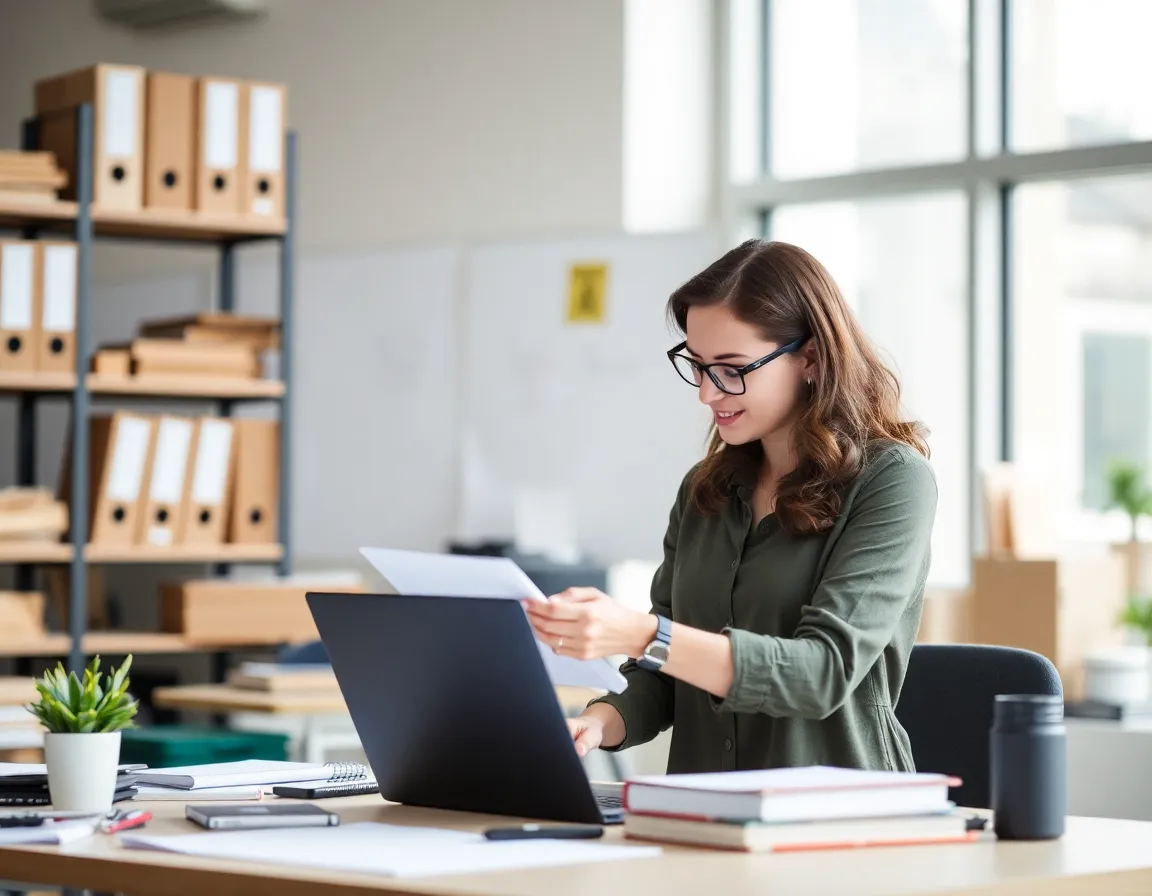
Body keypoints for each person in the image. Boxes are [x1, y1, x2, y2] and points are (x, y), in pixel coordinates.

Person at [523, 239, 937, 774]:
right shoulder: (705, 491)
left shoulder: (893, 481)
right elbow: (666, 673)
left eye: (731, 368)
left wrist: (642, 635)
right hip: (700, 808)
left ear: (811, 358)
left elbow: (822, 673)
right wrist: (597, 723)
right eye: (697, 366)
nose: (707, 392)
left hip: (836, 811)